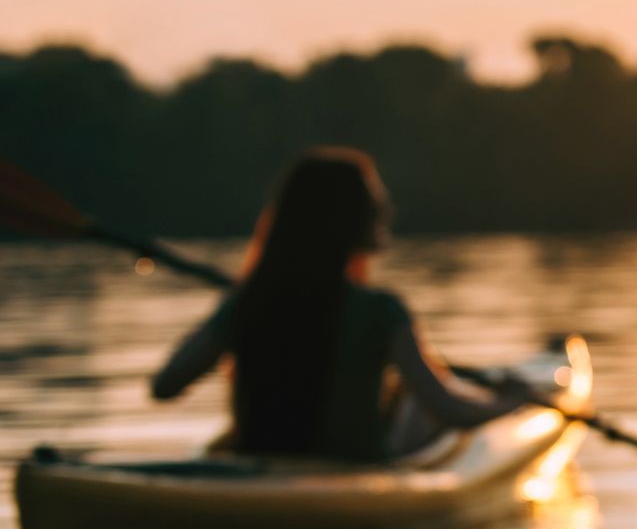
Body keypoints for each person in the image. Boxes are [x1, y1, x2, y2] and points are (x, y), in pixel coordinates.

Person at [152, 147, 532, 461]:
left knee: (407, 401)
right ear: (348, 218)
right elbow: (450, 411)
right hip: (351, 475)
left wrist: (235, 308)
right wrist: (514, 403)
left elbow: (166, 385)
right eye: (373, 201)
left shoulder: (248, 303)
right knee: (419, 405)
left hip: (256, 470)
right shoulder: (382, 311)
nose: (385, 210)